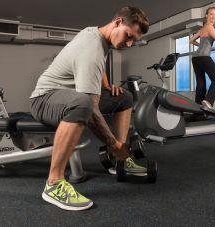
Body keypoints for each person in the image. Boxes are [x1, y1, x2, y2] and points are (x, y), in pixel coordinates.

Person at [29, 6, 149, 211]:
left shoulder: (98, 35)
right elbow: (92, 110)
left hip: (68, 94)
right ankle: (54, 184)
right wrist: (114, 144)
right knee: (83, 104)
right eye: (128, 36)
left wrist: (105, 84)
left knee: (124, 97)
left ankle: (117, 161)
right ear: (118, 22)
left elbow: (97, 65)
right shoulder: (92, 47)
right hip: (44, 99)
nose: (129, 44)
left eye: (133, 41)